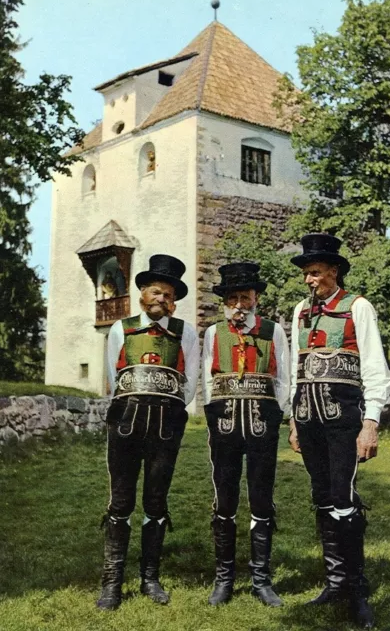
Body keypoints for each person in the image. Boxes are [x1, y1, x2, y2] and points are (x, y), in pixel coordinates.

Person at [288, 233, 390, 629]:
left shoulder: (357, 307)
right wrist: (294, 422)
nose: (310, 280)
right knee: (321, 496)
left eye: (315, 273)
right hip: (308, 419)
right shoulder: (299, 311)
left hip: (344, 420)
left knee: (344, 496)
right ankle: (334, 582)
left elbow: (375, 369)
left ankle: (357, 589)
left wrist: (371, 423)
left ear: (334, 271)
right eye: (306, 274)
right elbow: (297, 373)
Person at [97, 254, 200, 610]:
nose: (161, 300)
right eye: (156, 292)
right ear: (143, 293)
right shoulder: (120, 329)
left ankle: (150, 578)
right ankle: (112, 582)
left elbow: (190, 383)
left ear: (175, 300)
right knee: (121, 501)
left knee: (156, 501)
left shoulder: (185, 332)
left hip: (166, 427)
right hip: (126, 423)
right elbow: (113, 376)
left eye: (168, 295)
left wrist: (168, 410)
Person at [202, 262, 290, 607]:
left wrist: (275, 412)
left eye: (246, 297)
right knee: (224, 498)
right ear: (225, 302)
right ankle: (224, 579)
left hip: (261, 425)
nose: (240, 304)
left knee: (261, 497)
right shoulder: (213, 333)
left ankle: (261, 580)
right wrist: (213, 415)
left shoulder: (273, 331)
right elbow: (208, 381)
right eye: (233, 298)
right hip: (224, 425)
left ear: (256, 299)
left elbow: (284, 376)